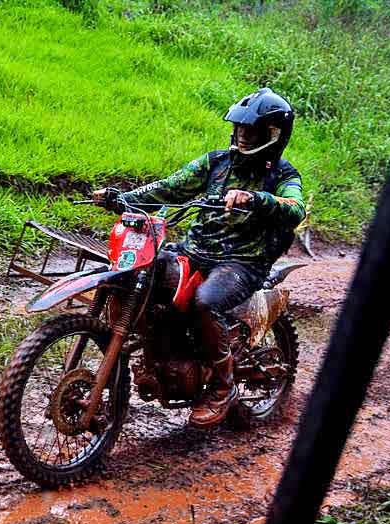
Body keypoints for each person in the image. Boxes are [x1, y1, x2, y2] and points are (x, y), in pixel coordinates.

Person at [93, 88, 305, 427]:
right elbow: (170, 187)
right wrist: (123, 198)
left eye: (251, 131)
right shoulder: (215, 162)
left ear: (273, 135)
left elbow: (295, 207)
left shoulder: (283, 175)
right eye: (239, 128)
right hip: (195, 250)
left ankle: (223, 387)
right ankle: (129, 368)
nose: (242, 135)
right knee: (135, 276)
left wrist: (256, 199)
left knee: (205, 302)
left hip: (241, 262)